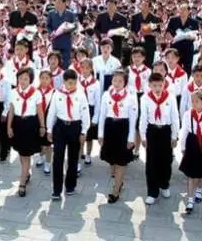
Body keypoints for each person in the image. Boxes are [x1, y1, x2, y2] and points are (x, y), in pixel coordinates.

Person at [46, 69, 90, 200]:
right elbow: (52, 112)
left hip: (75, 127)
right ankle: (56, 189)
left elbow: (85, 114)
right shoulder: (57, 94)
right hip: (60, 127)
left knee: (73, 158)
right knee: (58, 158)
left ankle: (70, 185)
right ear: (64, 82)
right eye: (68, 83)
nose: (71, 85)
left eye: (73, 83)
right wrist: (49, 129)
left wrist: (84, 131)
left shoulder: (81, 95)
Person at [139, 72, 180, 205]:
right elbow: (143, 117)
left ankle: (164, 184)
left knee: (166, 160)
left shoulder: (170, 97)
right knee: (151, 161)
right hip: (152, 130)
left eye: (160, 85)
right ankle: (152, 191)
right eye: (154, 85)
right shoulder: (145, 98)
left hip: (165, 130)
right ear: (149, 85)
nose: (157, 88)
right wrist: (143, 135)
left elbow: (175, 117)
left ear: (164, 85)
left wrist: (174, 135)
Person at [98, 70, 137, 203]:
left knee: (121, 160)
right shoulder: (106, 95)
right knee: (111, 159)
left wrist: (131, 138)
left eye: (120, 81)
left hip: (123, 128)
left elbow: (133, 119)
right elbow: (102, 115)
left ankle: (116, 190)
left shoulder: (130, 97)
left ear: (125, 83)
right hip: (110, 127)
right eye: (115, 80)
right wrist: (100, 134)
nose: (117, 83)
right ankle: (116, 179)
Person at [5, 68, 43, 197]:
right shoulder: (13, 92)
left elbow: (40, 111)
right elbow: (11, 110)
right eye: (20, 78)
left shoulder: (36, 93)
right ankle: (26, 173)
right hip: (17, 124)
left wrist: (42, 126)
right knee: (22, 153)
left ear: (30, 80)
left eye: (26, 78)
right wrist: (9, 126)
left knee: (26, 154)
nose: (22, 81)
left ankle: (22, 183)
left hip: (30, 124)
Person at [178, 91, 202, 214]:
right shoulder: (188, 114)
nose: (194, 103)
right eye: (192, 101)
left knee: (200, 172)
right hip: (192, 142)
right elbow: (184, 131)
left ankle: (199, 189)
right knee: (191, 174)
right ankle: (190, 200)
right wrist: (182, 146)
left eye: (197, 101)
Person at [46, 0, 77, 69]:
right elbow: (48, 26)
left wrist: (68, 29)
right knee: (56, 59)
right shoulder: (51, 13)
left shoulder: (70, 14)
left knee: (66, 61)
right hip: (55, 41)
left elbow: (75, 25)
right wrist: (51, 32)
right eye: (56, 3)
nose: (57, 5)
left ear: (64, 3)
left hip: (66, 41)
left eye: (59, 3)